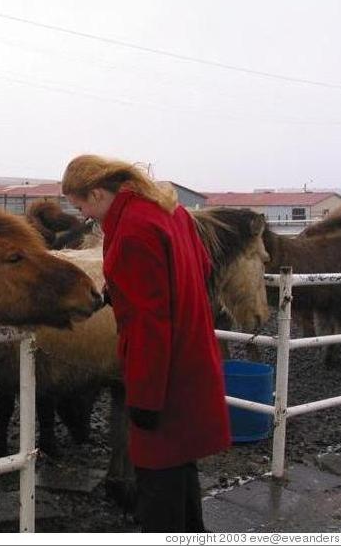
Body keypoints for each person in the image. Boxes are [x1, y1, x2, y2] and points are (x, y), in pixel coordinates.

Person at [62, 154, 230, 532]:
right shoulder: (169, 210)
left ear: (97, 192)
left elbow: (148, 327)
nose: (86, 216)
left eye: (82, 205)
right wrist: (120, 290)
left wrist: (145, 399)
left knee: (157, 483)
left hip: (161, 375)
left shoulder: (132, 230)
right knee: (182, 466)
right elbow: (199, 267)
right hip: (192, 357)